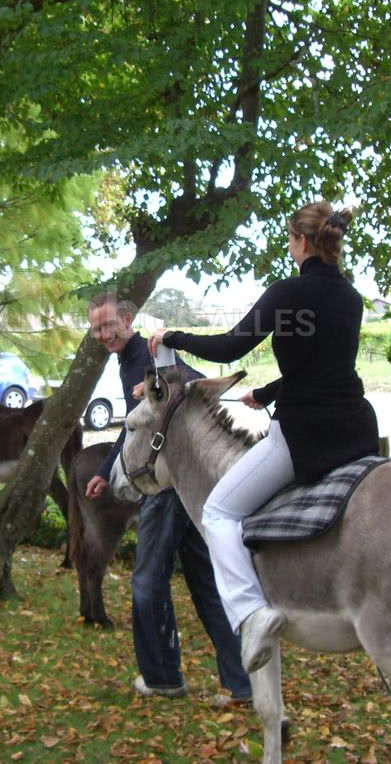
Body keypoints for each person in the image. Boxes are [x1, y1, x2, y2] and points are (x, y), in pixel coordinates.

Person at [148, 201, 379, 674]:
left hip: (305, 437)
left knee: (217, 511)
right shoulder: (351, 297)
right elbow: (325, 369)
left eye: (289, 239)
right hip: (357, 430)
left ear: (300, 242)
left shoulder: (286, 293)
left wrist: (175, 337)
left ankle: (251, 614)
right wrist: (267, 391)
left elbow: (230, 346)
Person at [85, 292, 252, 706]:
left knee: (146, 582)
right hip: (177, 490)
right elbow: (134, 427)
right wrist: (107, 471)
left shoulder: (151, 352)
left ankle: (162, 677)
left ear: (127, 319)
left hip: (168, 489)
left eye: (108, 325)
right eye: (95, 329)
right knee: (205, 582)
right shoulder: (125, 361)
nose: (103, 334)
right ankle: (244, 682)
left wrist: (160, 383)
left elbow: (190, 383)